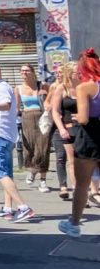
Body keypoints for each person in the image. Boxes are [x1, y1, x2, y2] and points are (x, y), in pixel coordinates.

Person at [0, 61, 35, 221]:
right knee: (7, 173)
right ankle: (8, 208)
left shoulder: (2, 87)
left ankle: (23, 207)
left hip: (0, 136)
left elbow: (6, 105)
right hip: (0, 135)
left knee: (0, 173)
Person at [59, 48, 100, 237]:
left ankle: (74, 224)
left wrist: (76, 116)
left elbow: (83, 118)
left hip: (90, 136)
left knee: (82, 185)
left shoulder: (85, 87)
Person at [17, 64, 49, 191]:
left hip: (42, 118)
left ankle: (43, 180)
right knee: (29, 148)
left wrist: (45, 95)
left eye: (27, 70)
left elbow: (52, 100)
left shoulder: (42, 85)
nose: (24, 73)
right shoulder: (18, 88)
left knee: (43, 149)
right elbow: (17, 107)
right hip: (27, 119)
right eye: (22, 70)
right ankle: (32, 170)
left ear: (32, 72)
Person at [49, 62, 78, 201]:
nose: (79, 74)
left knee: (87, 161)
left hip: (85, 129)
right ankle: (77, 192)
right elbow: (55, 111)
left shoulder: (84, 87)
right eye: (76, 71)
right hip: (68, 128)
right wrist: (61, 128)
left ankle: (89, 190)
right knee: (72, 161)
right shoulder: (62, 88)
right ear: (69, 73)